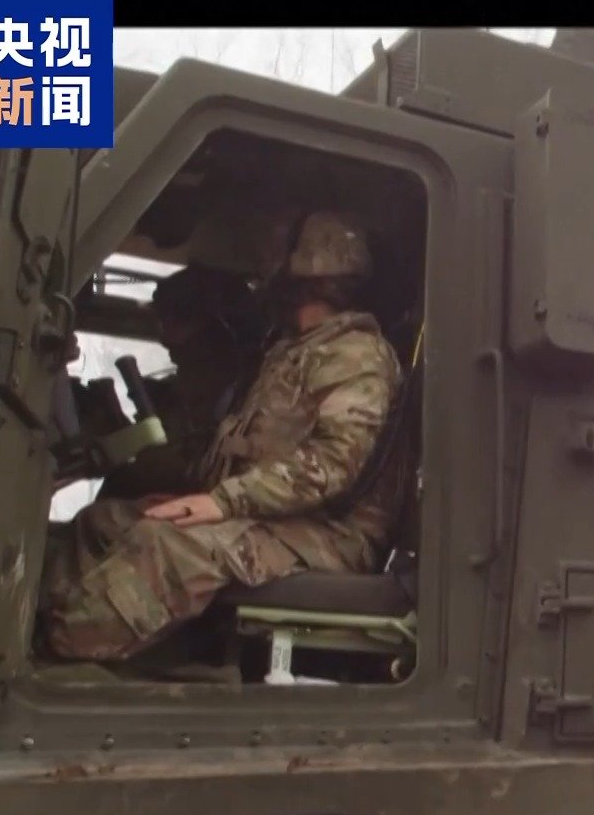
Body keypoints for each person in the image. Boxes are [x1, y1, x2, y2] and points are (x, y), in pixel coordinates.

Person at [40, 211, 402, 662]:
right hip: (277, 518)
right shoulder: (293, 351)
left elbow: (332, 465)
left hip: (326, 535)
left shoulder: (355, 354)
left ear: (304, 276)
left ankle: (63, 653)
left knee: (164, 545)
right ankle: (49, 631)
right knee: (105, 522)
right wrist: (194, 491)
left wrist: (222, 502)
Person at [99, 265, 262, 500]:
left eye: (169, 321)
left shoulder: (217, 379)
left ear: (199, 323)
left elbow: (191, 454)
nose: (163, 337)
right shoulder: (201, 376)